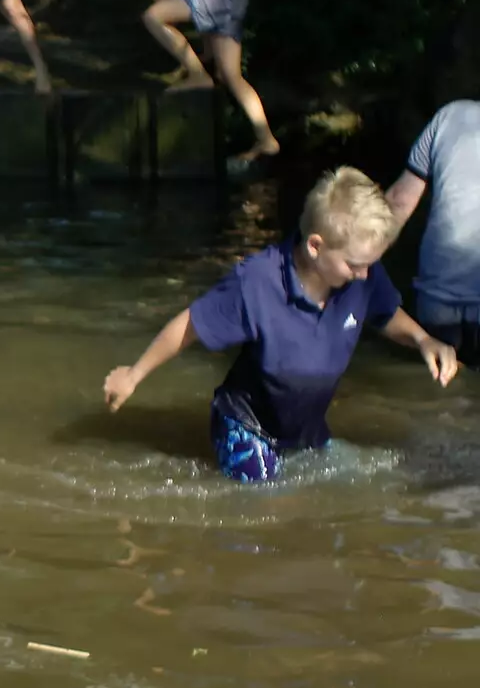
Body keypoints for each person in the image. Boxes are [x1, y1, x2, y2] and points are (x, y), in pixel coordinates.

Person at [102, 166, 459, 482]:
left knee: (372, 476)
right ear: (316, 246)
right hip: (245, 425)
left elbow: (383, 312)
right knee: (269, 501)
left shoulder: (360, 279)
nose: (365, 273)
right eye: (355, 264)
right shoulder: (257, 284)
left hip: (305, 428)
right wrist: (133, 376)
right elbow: (190, 324)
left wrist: (423, 339)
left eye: (369, 264)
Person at [126, 0, 280, 168]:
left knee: (152, 17)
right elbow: (203, 16)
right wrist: (204, 54)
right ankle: (266, 139)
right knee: (231, 76)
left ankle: (198, 76)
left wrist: (191, 67)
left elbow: (166, 15)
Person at [384, 98, 480, 368]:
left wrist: (360, 264)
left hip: (438, 293)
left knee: (441, 391)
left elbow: (400, 200)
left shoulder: (450, 116)